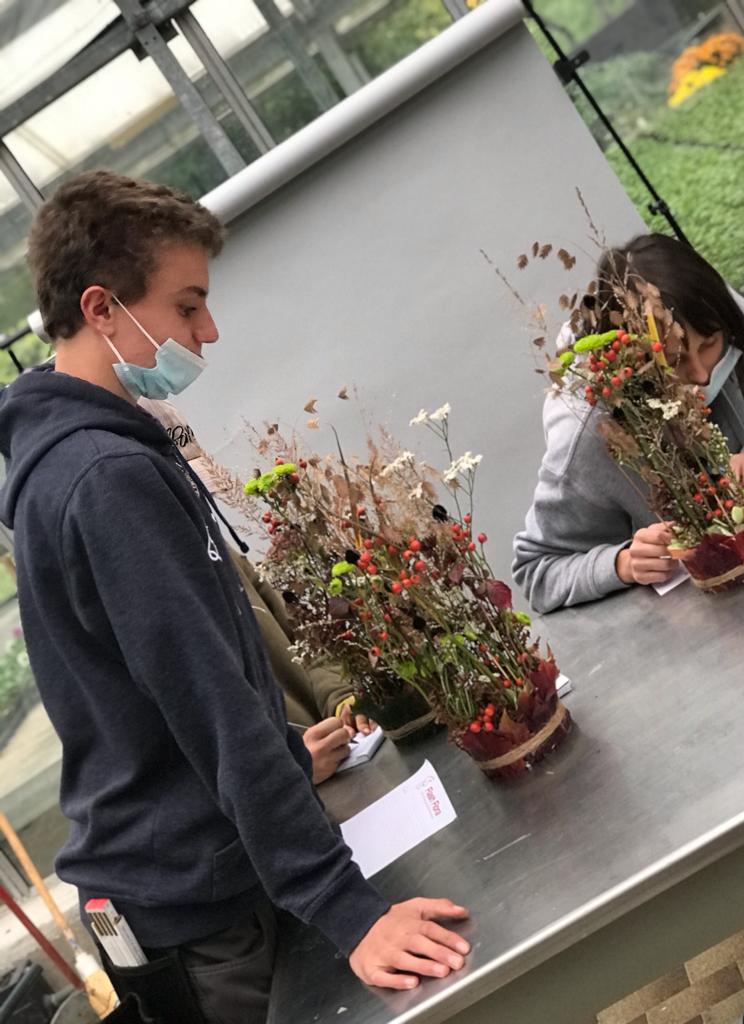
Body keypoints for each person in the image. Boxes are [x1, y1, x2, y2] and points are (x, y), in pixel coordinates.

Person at [0, 170, 470, 1023]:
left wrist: (285, 753)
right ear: (102, 308)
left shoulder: (85, 459)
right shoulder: (104, 478)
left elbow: (148, 680)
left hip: (197, 868)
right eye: (187, 307)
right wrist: (348, 911)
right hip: (202, 912)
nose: (207, 331)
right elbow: (205, 695)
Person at [513, 233, 744, 614]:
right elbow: (536, 571)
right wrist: (622, 563)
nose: (701, 374)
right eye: (675, 360)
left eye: (709, 346)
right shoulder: (586, 435)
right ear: (632, 362)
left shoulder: (715, 315)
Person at [139, 396, 373, 784]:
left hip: (338, 774)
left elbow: (307, 638)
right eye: (182, 489)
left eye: (196, 487)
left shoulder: (224, 557)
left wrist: (341, 699)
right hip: (281, 799)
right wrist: (286, 768)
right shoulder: (143, 604)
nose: (197, 502)